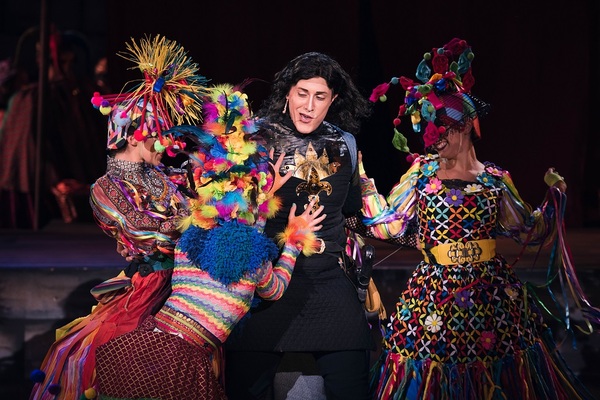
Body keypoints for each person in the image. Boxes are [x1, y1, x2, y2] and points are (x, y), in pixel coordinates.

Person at [360, 38, 596, 399]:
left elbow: (529, 232)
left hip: (492, 302)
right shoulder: (422, 175)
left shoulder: (495, 181)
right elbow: (388, 225)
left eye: (445, 126)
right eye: (429, 127)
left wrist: (555, 200)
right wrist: (361, 182)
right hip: (434, 301)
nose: (435, 137)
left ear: (468, 124)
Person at [92, 83, 326, 400]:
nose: (167, 142)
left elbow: (223, 195)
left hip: (167, 332)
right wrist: (294, 237)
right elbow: (273, 287)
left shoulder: (193, 229)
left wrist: (213, 208)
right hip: (155, 307)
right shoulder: (110, 189)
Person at [29, 35, 207, 400]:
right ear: (135, 134)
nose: (169, 146)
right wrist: (199, 215)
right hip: (152, 289)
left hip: (194, 282)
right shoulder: (105, 189)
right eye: (161, 136)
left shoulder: (168, 177)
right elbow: (144, 231)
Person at [224, 52, 374, 400]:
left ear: (333, 100)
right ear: (288, 93)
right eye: (302, 93)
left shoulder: (345, 144)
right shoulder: (256, 138)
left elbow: (352, 210)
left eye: (320, 96)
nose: (309, 105)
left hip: (326, 280)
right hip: (264, 283)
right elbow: (229, 211)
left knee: (353, 382)